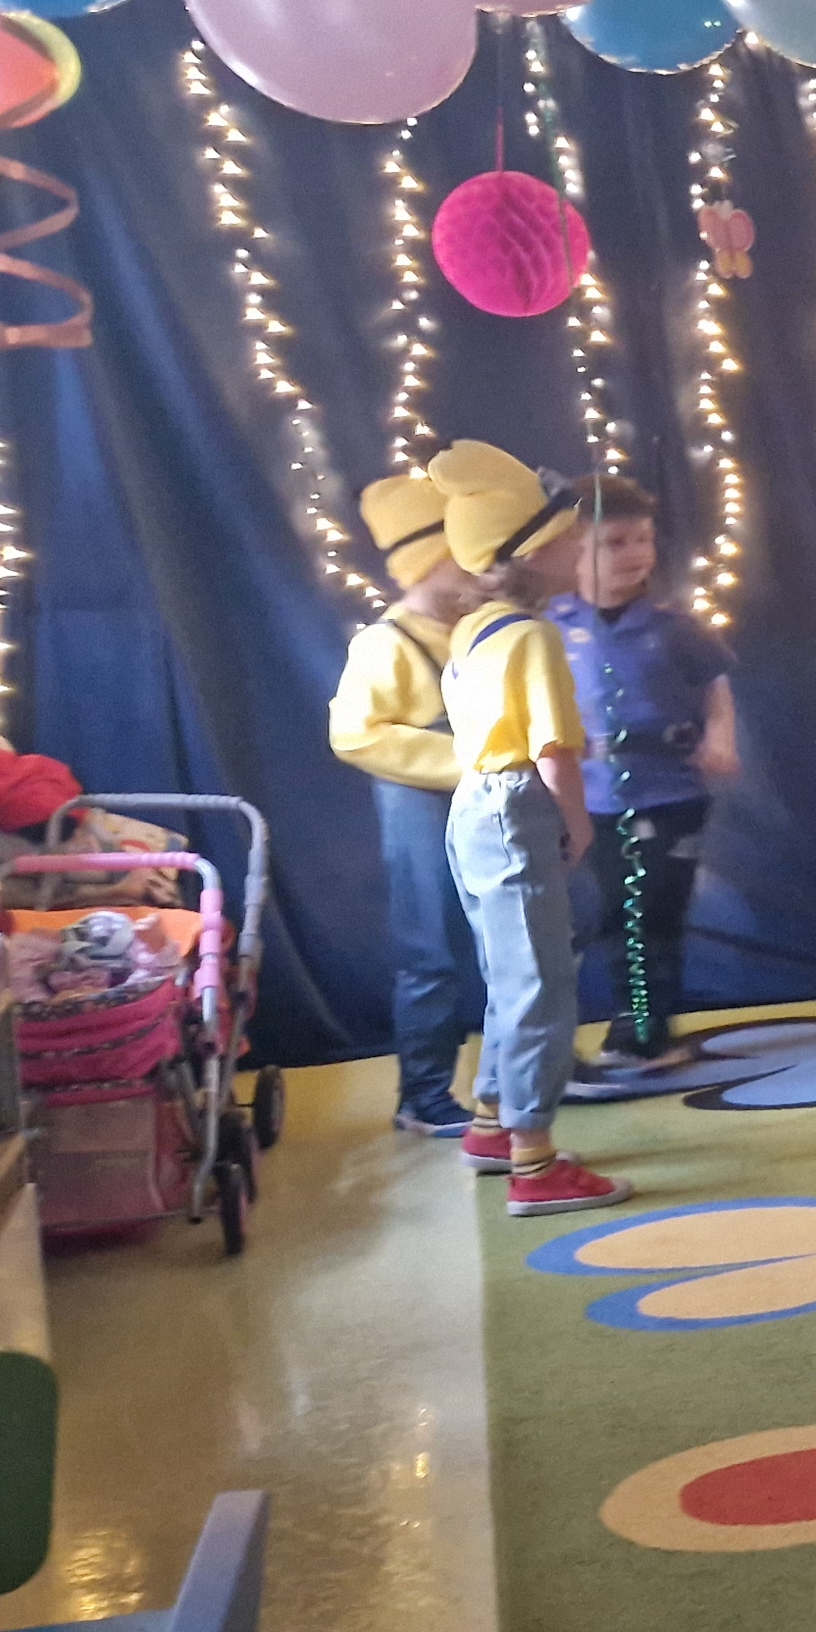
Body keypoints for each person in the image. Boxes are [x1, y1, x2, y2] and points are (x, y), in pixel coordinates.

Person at [423, 441, 626, 1216]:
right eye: (570, 539)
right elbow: (552, 750)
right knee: (541, 983)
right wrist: (576, 822)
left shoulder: (472, 631)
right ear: (534, 553)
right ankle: (533, 1162)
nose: (580, 549)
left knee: (509, 976)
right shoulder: (533, 637)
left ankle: (490, 1123)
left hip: (473, 807)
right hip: (515, 807)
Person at [549, 476, 738, 1095]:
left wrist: (721, 738)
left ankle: (645, 1033)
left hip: (670, 790)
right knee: (614, 911)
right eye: (615, 542)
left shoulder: (672, 624)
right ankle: (629, 1025)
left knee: (655, 907)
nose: (635, 554)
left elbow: (715, 683)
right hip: (591, 795)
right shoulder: (551, 624)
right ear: (574, 549)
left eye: (644, 540)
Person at [326, 473, 484, 1139]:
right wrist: (468, 760)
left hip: (494, 798)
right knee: (433, 949)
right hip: (424, 805)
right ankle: (424, 1094)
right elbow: (354, 734)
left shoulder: (479, 629)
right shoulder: (385, 643)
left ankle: (539, 1067)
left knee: (524, 938)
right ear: (428, 562)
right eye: (466, 555)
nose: (481, 568)